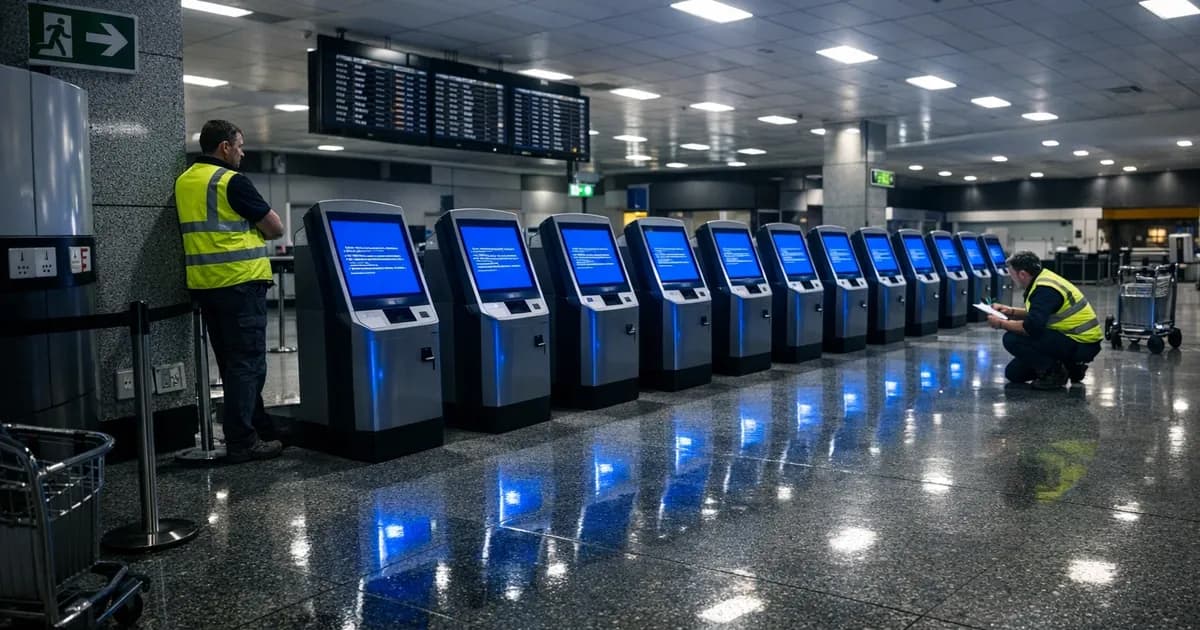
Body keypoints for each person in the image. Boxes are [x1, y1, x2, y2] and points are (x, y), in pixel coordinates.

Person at [176, 120, 285, 463]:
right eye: (239, 146)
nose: (242, 152)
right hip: (240, 282)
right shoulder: (231, 181)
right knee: (248, 364)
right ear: (224, 147)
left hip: (206, 286)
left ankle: (257, 426)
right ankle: (243, 440)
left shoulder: (184, 181)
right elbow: (275, 228)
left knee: (230, 363)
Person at [987, 251, 1103, 390]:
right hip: (1075, 339)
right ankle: (1072, 367)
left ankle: (1055, 373)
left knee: (1011, 339)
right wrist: (1010, 311)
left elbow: (1032, 327)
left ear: (1022, 274)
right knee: (1014, 373)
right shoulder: (1043, 279)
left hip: (1081, 343)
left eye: (1012, 274)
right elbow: (1040, 314)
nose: (1011, 278)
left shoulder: (1044, 290)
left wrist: (1001, 324)